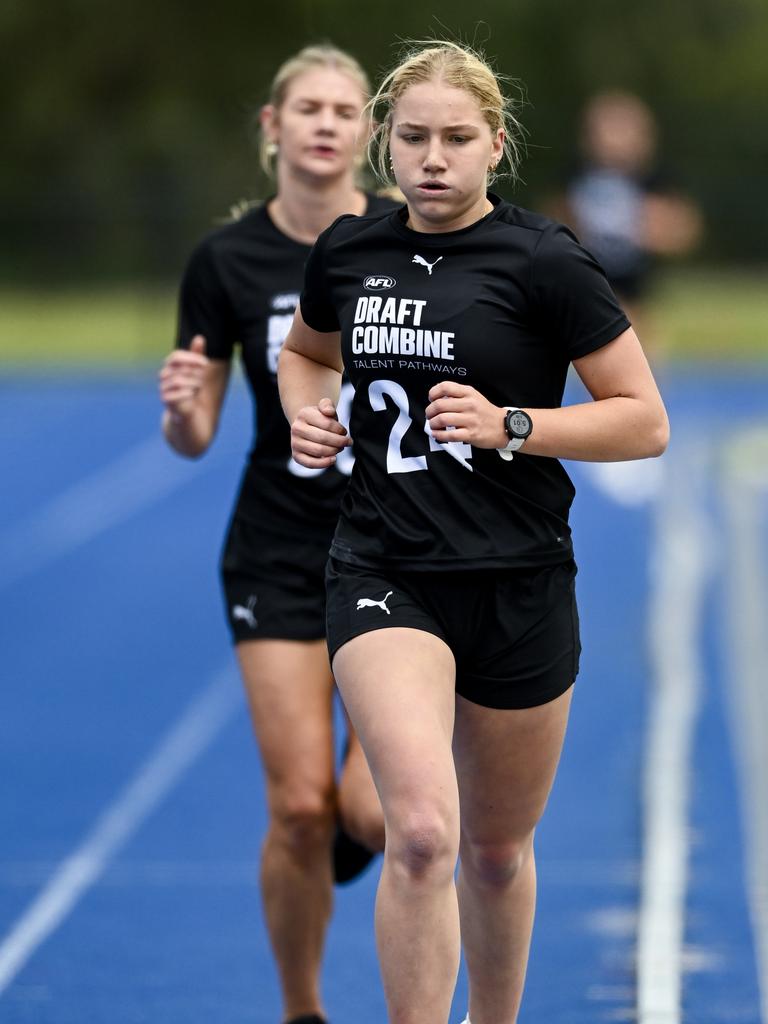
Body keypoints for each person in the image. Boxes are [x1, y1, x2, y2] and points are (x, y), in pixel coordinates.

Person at [277, 40, 669, 1024]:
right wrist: (307, 411)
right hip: (384, 570)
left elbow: (643, 418)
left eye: (457, 138)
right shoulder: (350, 251)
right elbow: (306, 355)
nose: (434, 157)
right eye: (413, 137)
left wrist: (515, 425)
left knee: (496, 853)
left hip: (520, 577)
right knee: (417, 830)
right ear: (385, 144)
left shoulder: (544, 258)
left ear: (495, 145)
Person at [158, 44, 393, 1024]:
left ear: (367, 132)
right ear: (274, 127)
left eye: (346, 108)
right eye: (309, 107)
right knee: (299, 806)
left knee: (373, 814)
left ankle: (356, 824)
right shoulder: (226, 260)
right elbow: (196, 431)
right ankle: (304, 1009)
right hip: (276, 548)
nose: (328, 123)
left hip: (396, 545)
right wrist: (179, 408)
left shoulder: (405, 238)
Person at [560, 89, 702, 350]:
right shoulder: (577, 175)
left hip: (635, 285)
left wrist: (655, 233)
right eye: (604, 129)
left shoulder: (653, 179)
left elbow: (683, 228)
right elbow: (556, 219)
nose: (612, 139)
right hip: (588, 279)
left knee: (636, 348)